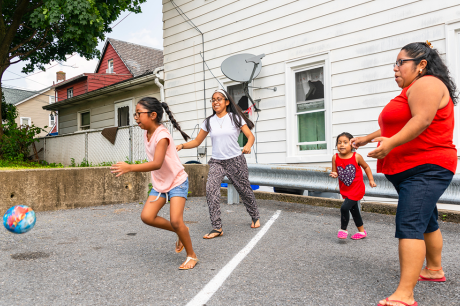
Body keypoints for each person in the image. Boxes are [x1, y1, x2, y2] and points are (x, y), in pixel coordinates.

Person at [351, 42, 457, 306]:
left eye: (401, 62)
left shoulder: (428, 84)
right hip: (413, 167)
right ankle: (433, 269)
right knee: (426, 219)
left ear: (421, 64)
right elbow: (401, 122)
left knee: (410, 223)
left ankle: (404, 295)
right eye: (395, 63)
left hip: (426, 165)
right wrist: (370, 138)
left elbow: (420, 120)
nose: (395, 68)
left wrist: (390, 143)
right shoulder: (414, 88)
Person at [110, 97, 198, 270]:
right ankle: (180, 230)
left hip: (176, 181)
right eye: (135, 114)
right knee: (147, 217)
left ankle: (191, 255)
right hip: (160, 183)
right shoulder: (146, 132)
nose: (135, 117)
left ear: (152, 115)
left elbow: (157, 163)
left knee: (176, 220)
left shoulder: (162, 136)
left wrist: (130, 167)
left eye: (138, 113)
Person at [176, 89, 260, 239]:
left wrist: (248, 145)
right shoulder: (209, 122)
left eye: (219, 99)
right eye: (213, 100)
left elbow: (250, 136)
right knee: (211, 190)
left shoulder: (235, 118)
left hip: (235, 159)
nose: (216, 102)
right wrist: (182, 146)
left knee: (244, 190)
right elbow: (197, 141)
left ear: (227, 102)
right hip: (217, 161)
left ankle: (255, 216)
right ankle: (217, 227)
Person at [330, 132, 377, 240]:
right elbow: (335, 171)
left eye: (345, 142)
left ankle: (343, 229)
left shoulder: (356, 156)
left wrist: (371, 180)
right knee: (354, 210)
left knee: (344, 208)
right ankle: (361, 232)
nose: (341, 145)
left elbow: (366, 167)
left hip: (357, 189)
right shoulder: (335, 157)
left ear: (352, 144)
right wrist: (334, 174)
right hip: (346, 189)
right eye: (339, 142)